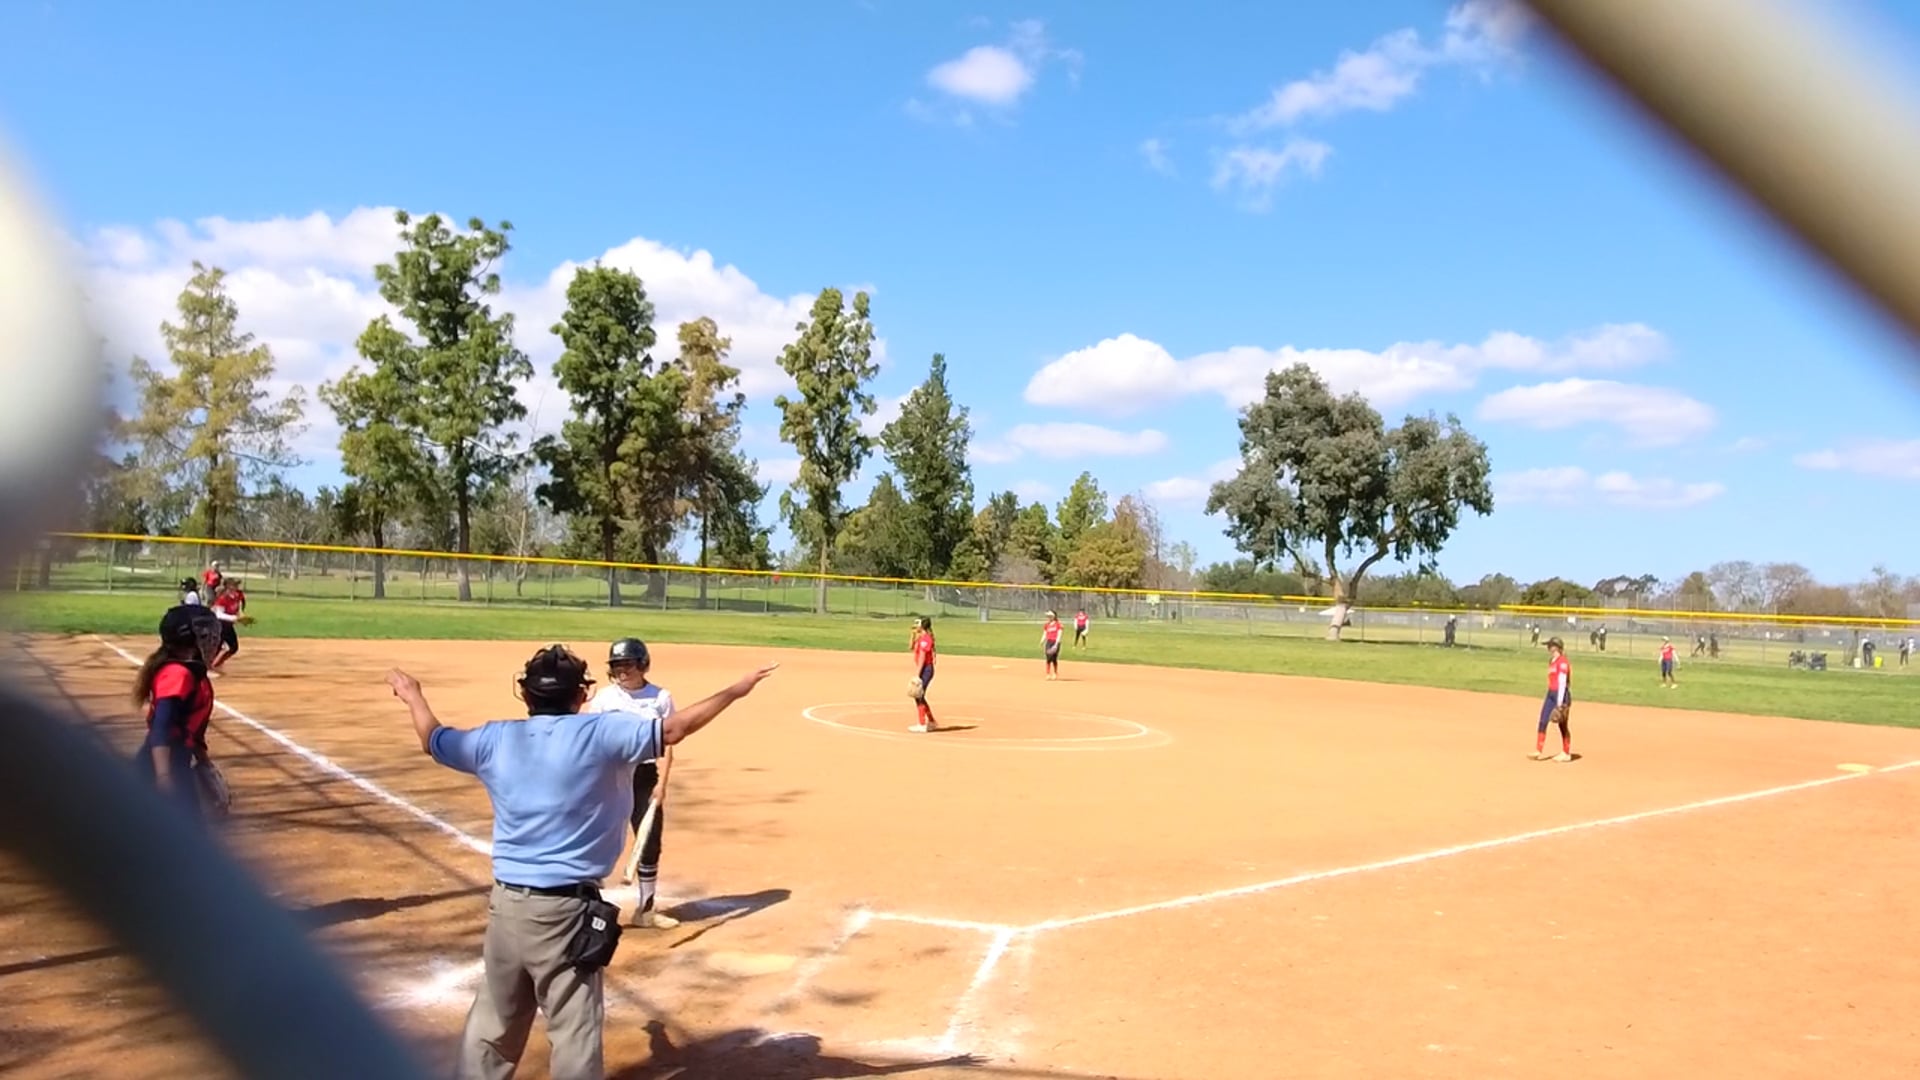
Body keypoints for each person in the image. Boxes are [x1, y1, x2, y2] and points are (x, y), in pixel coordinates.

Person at [389, 644, 775, 1080]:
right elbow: (673, 730)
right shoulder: (602, 733)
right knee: (574, 1037)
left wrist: (413, 695)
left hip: (506, 908)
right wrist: (736, 690)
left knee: (492, 1028)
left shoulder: (495, 738)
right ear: (581, 695)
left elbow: (433, 739)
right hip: (566, 914)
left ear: (525, 693)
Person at [584, 638, 678, 929]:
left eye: (628, 665)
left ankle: (646, 910)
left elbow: (669, 742)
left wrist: (662, 784)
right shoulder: (604, 699)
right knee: (597, 839)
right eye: (617, 666)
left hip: (644, 776)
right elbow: (589, 740)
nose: (622, 671)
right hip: (610, 775)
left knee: (649, 840)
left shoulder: (660, 697)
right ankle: (585, 908)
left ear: (643, 665)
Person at [132, 604, 231, 820]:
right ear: (188, 638)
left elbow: (190, 730)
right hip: (161, 764)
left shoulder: (193, 673)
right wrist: (163, 777)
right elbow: (161, 727)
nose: (214, 640)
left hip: (176, 761)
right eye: (206, 634)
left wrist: (204, 763)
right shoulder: (178, 674)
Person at [1533, 637, 1574, 762]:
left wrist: (1560, 703)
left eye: (1550, 645)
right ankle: (1538, 750)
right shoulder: (1552, 661)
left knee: (1562, 724)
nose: (1548, 647)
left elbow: (1562, 682)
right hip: (1550, 693)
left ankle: (1566, 753)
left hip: (1561, 695)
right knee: (1543, 720)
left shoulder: (1563, 662)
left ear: (1556, 647)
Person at [209, 579, 247, 672]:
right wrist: (235, 618)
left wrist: (241, 614)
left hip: (228, 626)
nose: (237, 587)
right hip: (219, 625)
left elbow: (239, 605)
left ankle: (216, 665)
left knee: (233, 648)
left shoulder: (237, 595)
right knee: (217, 648)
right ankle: (210, 668)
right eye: (234, 585)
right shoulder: (223, 598)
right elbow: (219, 615)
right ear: (228, 587)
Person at [908, 616, 938, 733]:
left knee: (918, 695)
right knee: (920, 695)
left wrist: (917, 675)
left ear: (922, 626)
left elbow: (922, 658)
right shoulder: (921, 638)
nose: (916, 626)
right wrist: (912, 635)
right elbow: (910, 647)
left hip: (926, 670)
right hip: (924, 669)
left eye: (918, 624)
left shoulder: (926, 639)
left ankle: (922, 724)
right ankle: (931, 721)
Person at [1042, 611, 1063, 681]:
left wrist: (1056, 644)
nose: (1048, 618)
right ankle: (1048, 673)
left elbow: (1059, 634)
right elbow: (1045, 633)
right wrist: (1042, 640)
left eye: (1049, 616)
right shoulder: (1046, 625)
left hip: (1055, 642)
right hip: (1049, 642)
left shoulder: (1058, 624)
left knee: (1054, 658)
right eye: (1048, 616)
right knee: (1048, 657)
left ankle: (1055, 673)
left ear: (1053, 617)